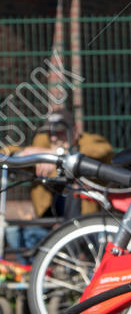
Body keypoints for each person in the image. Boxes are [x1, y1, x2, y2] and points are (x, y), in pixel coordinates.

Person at [3, 108, 114, 255]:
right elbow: (7, 152)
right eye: (51, 132)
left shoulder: (88, 142)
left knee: (103, 240)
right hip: (50, 225)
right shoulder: (43, 143)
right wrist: (26, 153)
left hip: (86, 226)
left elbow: (103, 150)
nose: (54, 137)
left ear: (75, 131)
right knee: (15, 233)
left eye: (60, 132)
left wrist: (56, 155)